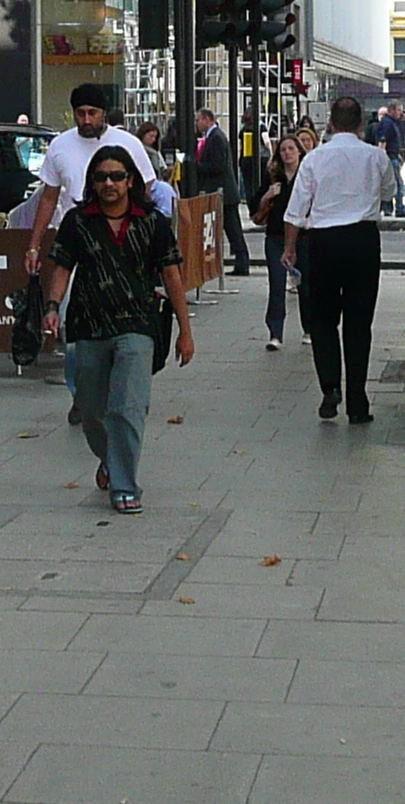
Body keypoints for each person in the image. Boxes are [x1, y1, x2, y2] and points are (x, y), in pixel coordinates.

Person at [39, 147, 192, 515]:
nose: (109, 183)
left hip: (138, 324)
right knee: (92, 409)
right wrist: (52, 307)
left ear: (131, 181)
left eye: (117, 176)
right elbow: (61, 268)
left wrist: (185, 330)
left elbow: (172, 275)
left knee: (127, 407)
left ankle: (125, 485)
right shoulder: (78, 221)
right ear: (93, 183)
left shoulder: (151, 222)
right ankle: (109, 457)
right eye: (102, 177)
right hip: (89, 325)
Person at [283, 95, 394, 422]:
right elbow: (388, 193)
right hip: (362, 239)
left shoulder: (315, 159)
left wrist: (290, 249)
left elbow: (295, 210)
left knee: (323, 319)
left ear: (330, 123)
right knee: (359, 323)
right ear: (361, 123)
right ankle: (358, 400)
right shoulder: (376, 157)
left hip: (324, 242)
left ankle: (330, 387)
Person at [26, 83, 161, 272]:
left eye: (92, 113)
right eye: (81, 113)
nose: (87, 120)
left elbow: (145, 189)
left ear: (103, 113)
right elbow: (48, 198)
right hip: (76, 239)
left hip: (121, 240)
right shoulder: (59, 146)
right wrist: (34, 247)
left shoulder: (129, 143)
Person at [254, 135, 304, 351]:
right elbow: (256, 205)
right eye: (283, 150)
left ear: (299, 151)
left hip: (304, 236)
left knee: (306, 284)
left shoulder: (307, 175)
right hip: (275, 235)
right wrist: (268, 195)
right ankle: (275, 333)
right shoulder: (273, 176)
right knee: (276, 284)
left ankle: (309, 328)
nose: (287, 153)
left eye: (291, 149)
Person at [188, 108, 251, 275]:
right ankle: (240, 262)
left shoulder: (216, 138)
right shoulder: (211, 137)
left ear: (208, 119)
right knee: (230, 229)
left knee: (233, 229)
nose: (197, 123)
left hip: (224, 193)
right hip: (220, 191)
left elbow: (218, 165)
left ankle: (242, 262)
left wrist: (196, 167)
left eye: (199, 120)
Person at [374, 102, 405, 214]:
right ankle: (399, 208)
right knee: (398, 184)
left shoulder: (393, 123)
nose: (401, 113)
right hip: (390, 158)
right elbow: (382, 141)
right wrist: (383, 158)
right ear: (392, 110)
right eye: (399, 110)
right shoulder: (388, 123)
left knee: (391, 183)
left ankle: (388, 208)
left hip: (393, 156)